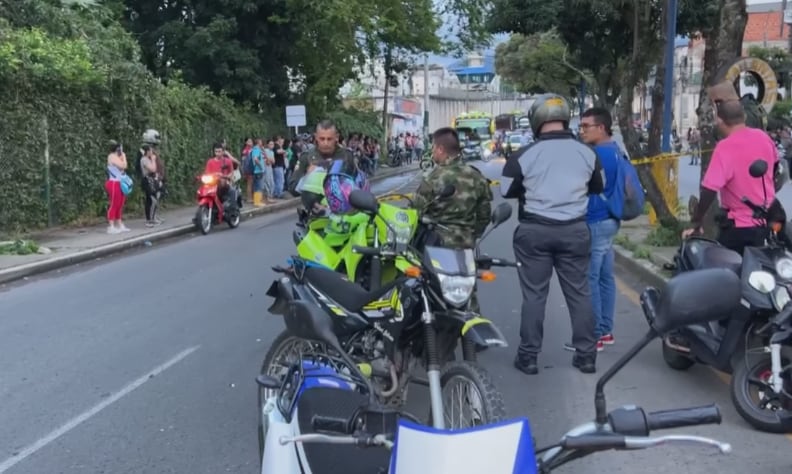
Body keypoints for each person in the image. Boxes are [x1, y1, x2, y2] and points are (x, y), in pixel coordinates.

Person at [500, 93, 604, 376]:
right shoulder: (587, 153)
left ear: (536, 120)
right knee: (579, 293)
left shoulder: (523, 155)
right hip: (575, 230)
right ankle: (586, 357)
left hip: (535, 232)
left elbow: (505, 190)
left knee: (534, 295)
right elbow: (597, 187)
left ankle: (529, 356)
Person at [683, 99, 779, 254]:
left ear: (719, 120)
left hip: (738, 228)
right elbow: (775, 168)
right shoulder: (764, 138)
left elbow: (709, 189)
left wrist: (696, 222)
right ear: (744, 118)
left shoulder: (725, 147)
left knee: (721, 270)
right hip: (765, 225)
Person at [563, 107, 622, 353]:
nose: (582, 130)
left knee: (590, 279)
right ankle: (605, 330)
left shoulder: (597, 155)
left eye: (586, 126)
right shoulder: (616, 150)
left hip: (596, 220)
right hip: (611, 219)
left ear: (601, 127)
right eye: (581, 126)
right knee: (606, 278)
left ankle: (594, 335)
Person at [411, 127, 492, 249]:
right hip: (467, 246)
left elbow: (414, 212)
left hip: (435, 247)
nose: (432, 152)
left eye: (433, 147)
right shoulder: (477, 177)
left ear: (440, 149)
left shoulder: (433, 178)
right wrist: (472, 234)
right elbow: (484, 215)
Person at [288, 120, 357, 205]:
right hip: (316, 212)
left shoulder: (347, 156)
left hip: (343, 210)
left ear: (336, 137)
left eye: (329, 139)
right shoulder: (306, 157)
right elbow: (292, 188)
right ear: (316, 137)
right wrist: (307, 177)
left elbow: (359, 183)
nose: (325, 143)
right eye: (322, 139)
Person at [204, 142, 239, 208]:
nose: (217, 153)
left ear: (223, 152)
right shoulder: (210, 162)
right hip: (212, 184)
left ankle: (232, 209)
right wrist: (215, 175)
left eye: (219, 151)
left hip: (225, 183)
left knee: (231, 191)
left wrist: (223, 176)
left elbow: (231, 174)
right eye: (216, 151)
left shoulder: (228, 161)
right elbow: (207, 173)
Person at [106, 141, 130, 234]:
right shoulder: (112, 157)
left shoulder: (117, 157)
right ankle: (111, 226)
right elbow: (124, 165)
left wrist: (121, 158)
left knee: (120, 204)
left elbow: (122, 169)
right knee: (114, 204)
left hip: (121, 182)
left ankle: (119, 224)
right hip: (113, 183)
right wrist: (123, 157)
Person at [140, 145, 162, 227]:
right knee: (151, 200)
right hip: (147, 181)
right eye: (150, 151)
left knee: (153, 199)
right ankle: (149, 220)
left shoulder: (147, 159)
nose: (152, 152)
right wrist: (153, 160)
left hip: (152, 181)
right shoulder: (144, 160)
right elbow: (153, 169)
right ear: (147, 151)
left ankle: (153, 218)